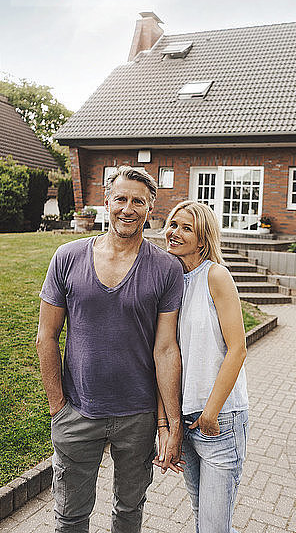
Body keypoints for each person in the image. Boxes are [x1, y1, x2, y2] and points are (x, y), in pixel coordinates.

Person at [36, 166, 184, 533]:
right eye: (121, 199)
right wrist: (58, 406)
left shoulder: (166, 269)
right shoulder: (67, 257)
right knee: (70, 516)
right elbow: (46, 336)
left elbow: (166, 349)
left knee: (129, 512)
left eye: (139, 201)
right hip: (78, 412)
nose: (128, 208)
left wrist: (171, 424)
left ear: (151, 210)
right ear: (106, 202)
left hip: (138, 415)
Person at [155, 200, 249, 533]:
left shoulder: (216, 276)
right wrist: (167, 423)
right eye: (172, 224)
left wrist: (210, 413)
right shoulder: (169, 282)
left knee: (213, 526)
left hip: (218, 420)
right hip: (186, 421)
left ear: (203, 239)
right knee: (202, 518)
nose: (174, 232)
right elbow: (162, 354)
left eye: (186, 227)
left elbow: (238, 349)